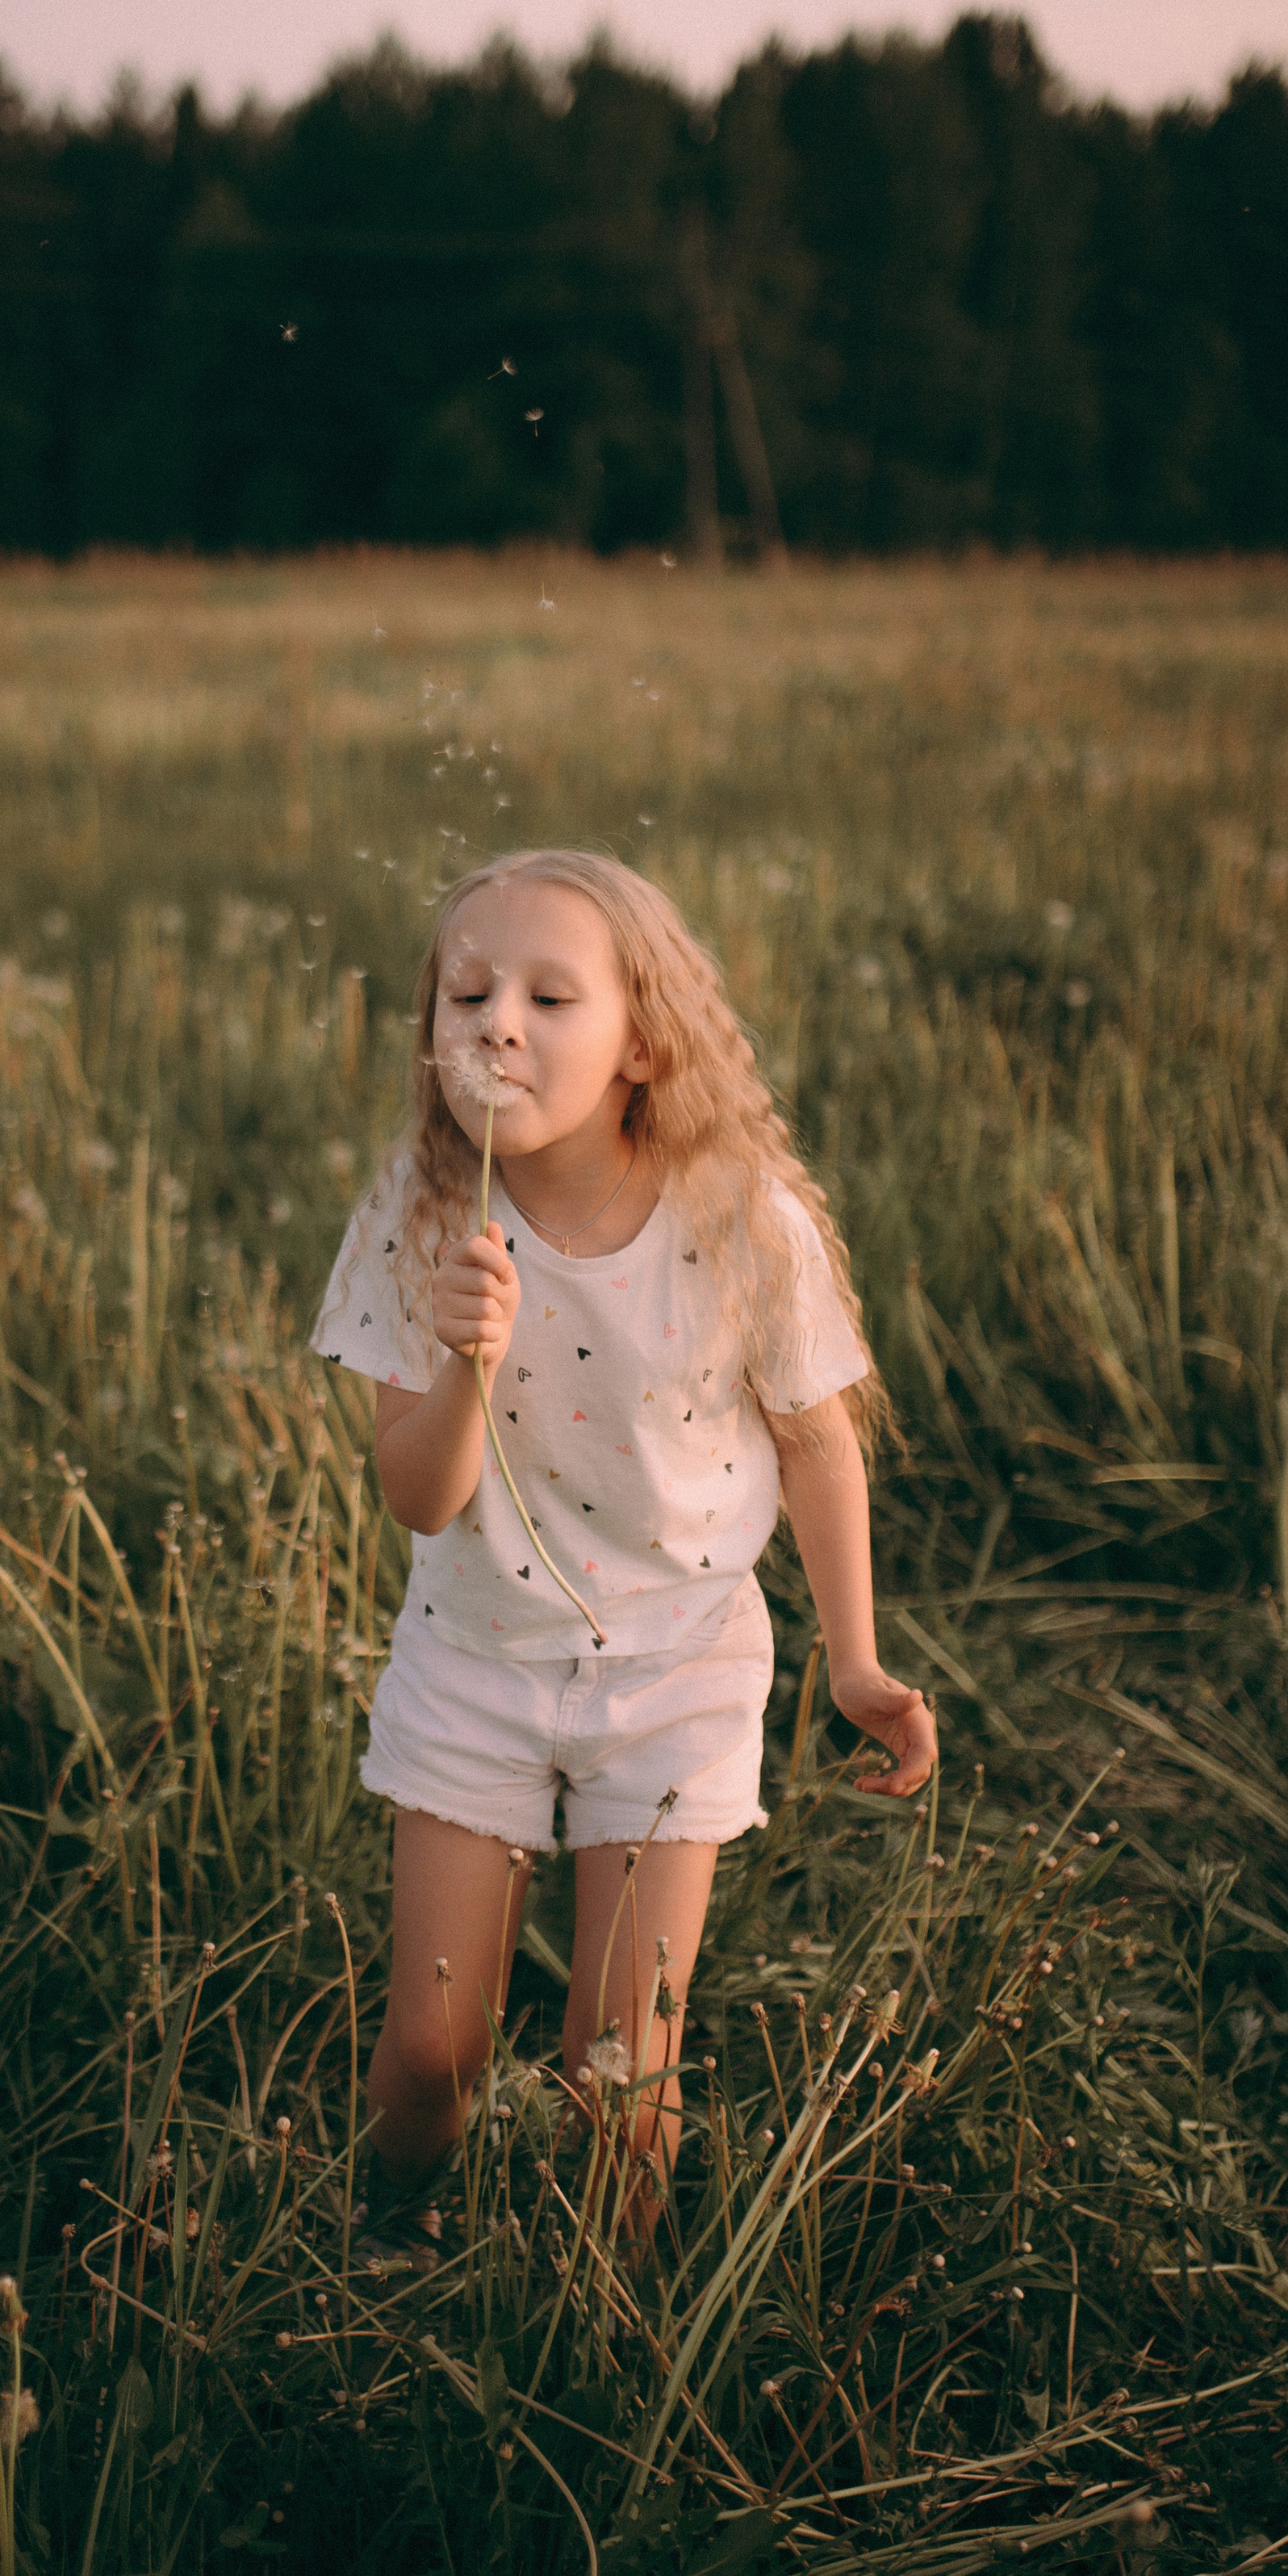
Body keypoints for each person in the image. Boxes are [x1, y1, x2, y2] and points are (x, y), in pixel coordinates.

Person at [310, 847, 937, 2260]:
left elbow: (819, 1441)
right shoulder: (422, 1222)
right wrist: (473, 1358)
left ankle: (600, 2334)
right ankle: (378, 2253)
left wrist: (855, 1661)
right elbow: (417, 1500)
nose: (498, 1024)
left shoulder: (739, 1225)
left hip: (677, 1669)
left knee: (624, 2082)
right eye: (466, 994)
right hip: (479, 1655)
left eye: (548, 994)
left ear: (643, 1041)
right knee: (432, 2051)